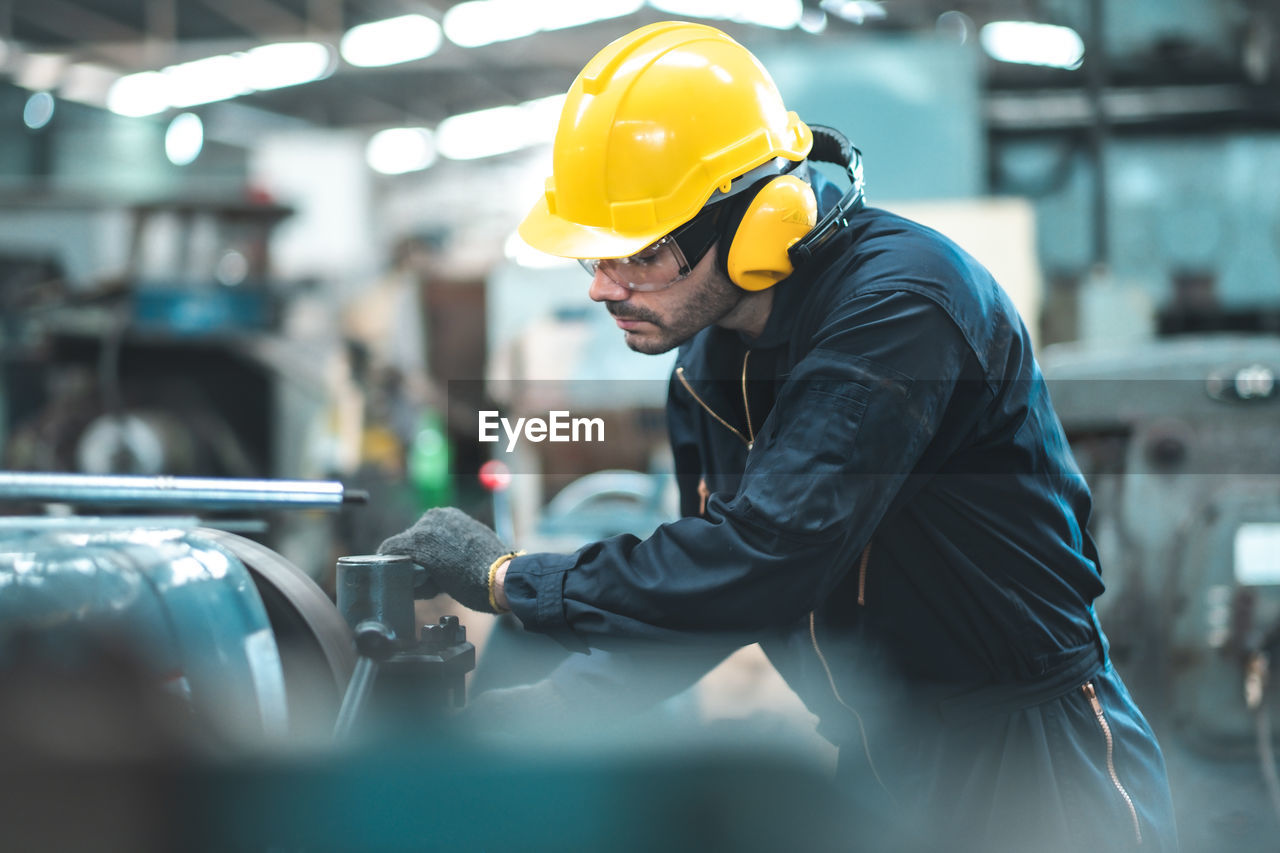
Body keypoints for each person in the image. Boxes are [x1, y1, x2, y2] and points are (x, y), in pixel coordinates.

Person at [379, 21, 1177, 852]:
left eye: (638, 253)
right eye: (590, 257)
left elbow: (769, 555)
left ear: (762, 218)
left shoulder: (903, 309)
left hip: (1035, 763)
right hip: (879, 757)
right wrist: (558, 708)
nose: (602, 289)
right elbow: (712, 592)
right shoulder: (705, 367)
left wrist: (511, 578)